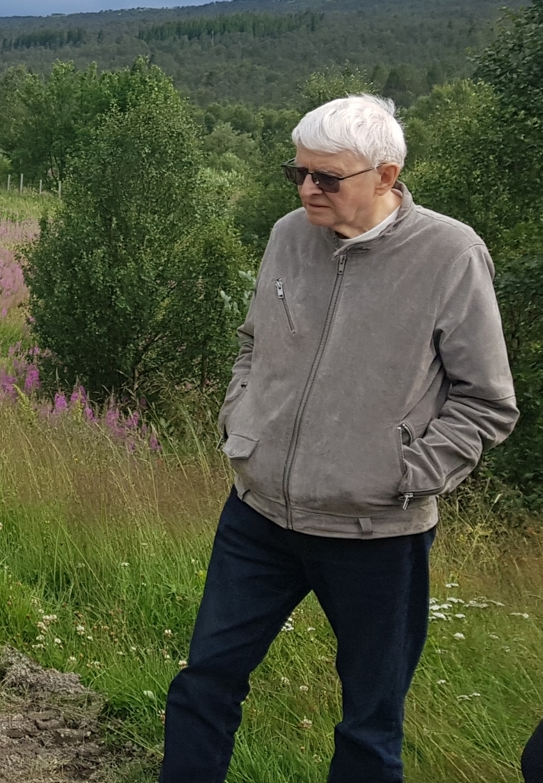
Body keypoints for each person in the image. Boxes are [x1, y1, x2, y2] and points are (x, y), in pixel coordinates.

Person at [160, 94, 518, 782]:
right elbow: (252, 343)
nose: (305, 189)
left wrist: (404, 475)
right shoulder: (288, 235)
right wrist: (244, 422)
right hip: (259, 514)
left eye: (326, 178)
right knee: (204, 683)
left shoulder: (450, 254)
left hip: (376, 535)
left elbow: (486, 401)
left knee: (369, 724)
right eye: (296, 172)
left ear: (386, 176)